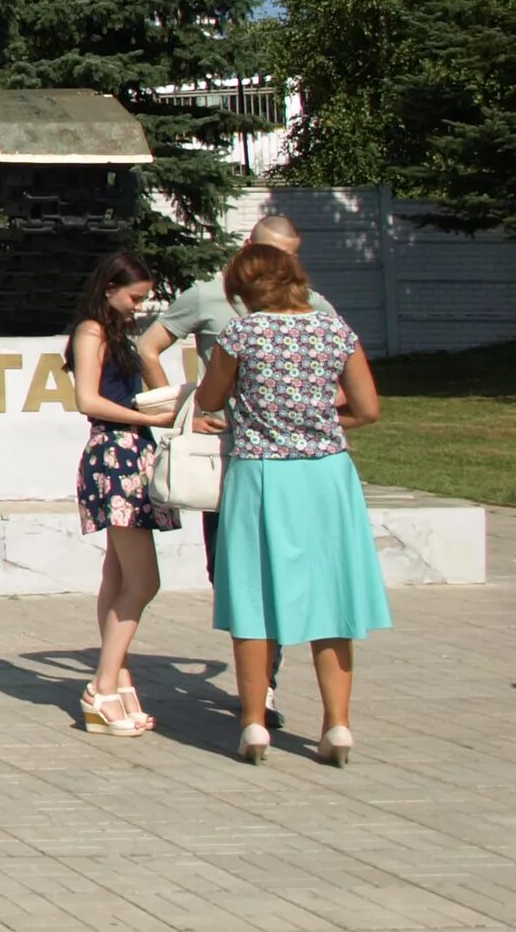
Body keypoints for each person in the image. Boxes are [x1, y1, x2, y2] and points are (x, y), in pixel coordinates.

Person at [138, 213, 337, 731]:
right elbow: (149, 344)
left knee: (288, 574)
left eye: (290, 257)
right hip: (226, 457)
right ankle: (261, 684)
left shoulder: (311, 304)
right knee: (229, 572)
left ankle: (264, 686)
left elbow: (343, 377)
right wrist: (182, 409)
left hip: (291, 461)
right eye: (273, 253)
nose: (281, 266)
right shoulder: (209, 295)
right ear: (249, 246)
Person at [194, 240, 388, 767]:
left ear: (243, 288)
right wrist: (323, 423)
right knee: (333, 601)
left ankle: (255, 723)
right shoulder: (334, 329)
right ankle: (338, 727)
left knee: (254, 602)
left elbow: (208, 401)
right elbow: (368, 408)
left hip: (261, 475)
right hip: (327, 475)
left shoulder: (242, 334)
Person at [70, 250, 173, 736]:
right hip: (115, 455)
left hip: (130, 453)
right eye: (135, 297)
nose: (138, 306)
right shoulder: (92, 331)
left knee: (118, 576)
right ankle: (103, 684)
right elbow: (87, 399)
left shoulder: (116, 333)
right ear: (110, 287)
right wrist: (148, 418)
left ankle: (118, 677)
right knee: (143, 581)